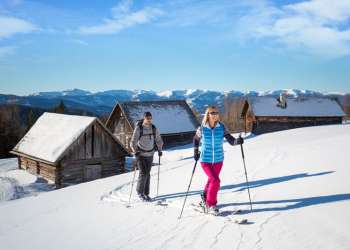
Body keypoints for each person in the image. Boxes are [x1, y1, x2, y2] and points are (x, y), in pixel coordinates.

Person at [193, 106, 244, 215]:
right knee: (215, 180)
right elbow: (196, 139)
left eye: (216, 112)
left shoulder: (221, 127)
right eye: (212, 112)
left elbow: (230, 140)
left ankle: (205, 197)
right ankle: (210, 204)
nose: (215, 114)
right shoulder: (202, 128)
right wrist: (195, 151)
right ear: (208, 114)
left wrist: (237, 141)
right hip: (205, 159)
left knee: (212, 180)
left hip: (218, 159)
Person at [130, 111, 163, 202]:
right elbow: (132, 142)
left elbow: (159, 139)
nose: (149, 120)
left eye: (150, 118)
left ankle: (146, 193)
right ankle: (140, 193)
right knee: (143, 173)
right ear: (144, 118)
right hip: (140, 154)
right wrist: (135, 151)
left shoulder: (153, 128)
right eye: (147, 118)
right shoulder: (139, 128)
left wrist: (160, 150)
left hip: (150, 154)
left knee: (148, 174)